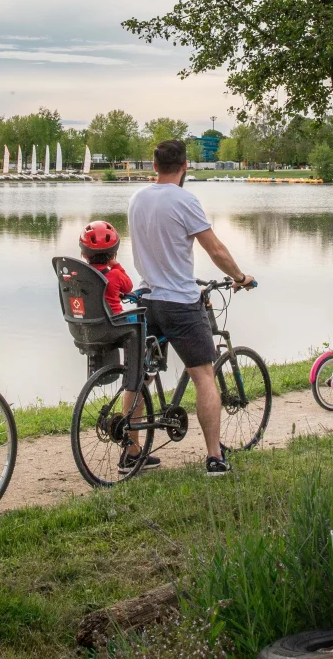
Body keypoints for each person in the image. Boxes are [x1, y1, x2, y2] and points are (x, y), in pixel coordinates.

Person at [127, 139, 256, 476]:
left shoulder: (137, 199)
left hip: (145, 300)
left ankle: (132, 451)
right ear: (184, 167)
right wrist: (240, 276)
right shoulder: (185, 200)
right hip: (179, 302)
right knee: (204, 376)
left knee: (139, 376)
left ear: (154, 166)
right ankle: (215, 457)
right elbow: (215, 249)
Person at [79, 220, 132, 314]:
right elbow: (128, 288)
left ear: (84, 254)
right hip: (116, 324)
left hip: (86, 324)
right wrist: (116, 265)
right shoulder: (116, 274)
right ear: (113, 255)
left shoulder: (79, 276)